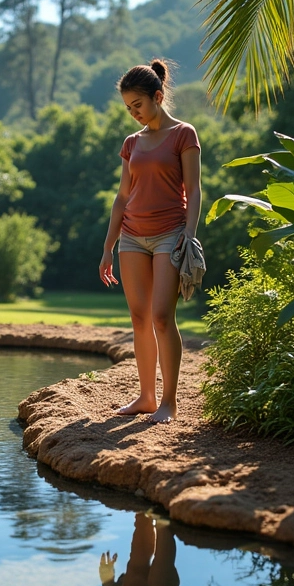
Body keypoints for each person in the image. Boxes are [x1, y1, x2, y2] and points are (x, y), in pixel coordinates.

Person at [99, 61, 201, 423]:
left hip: (169, 236)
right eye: (128, 109)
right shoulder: (132, 143)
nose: (134, 114)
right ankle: (145, 397)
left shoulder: (183, 135)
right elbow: (122, 198)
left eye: (138, 106)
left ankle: (169, 402)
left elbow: (194, 190)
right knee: (139, 317)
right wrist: (108, 246)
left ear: (158, 97)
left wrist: (189, 235)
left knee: (161, 317)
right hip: (131, 238)